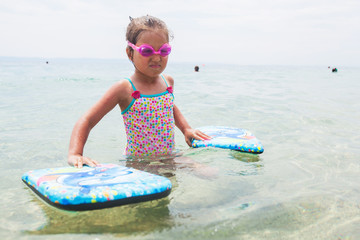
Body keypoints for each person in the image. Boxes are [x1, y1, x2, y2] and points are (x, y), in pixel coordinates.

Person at [68, 15, 210, 168]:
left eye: (163, 50)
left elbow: (169, 107)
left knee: (208, 173)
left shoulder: (167, 81)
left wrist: (186, 129)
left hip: (169, 156)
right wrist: (75, 154)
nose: (157, 57)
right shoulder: (125, 88)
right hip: (138, 163)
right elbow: (87, 120)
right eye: (147, 51)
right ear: (130, 53)